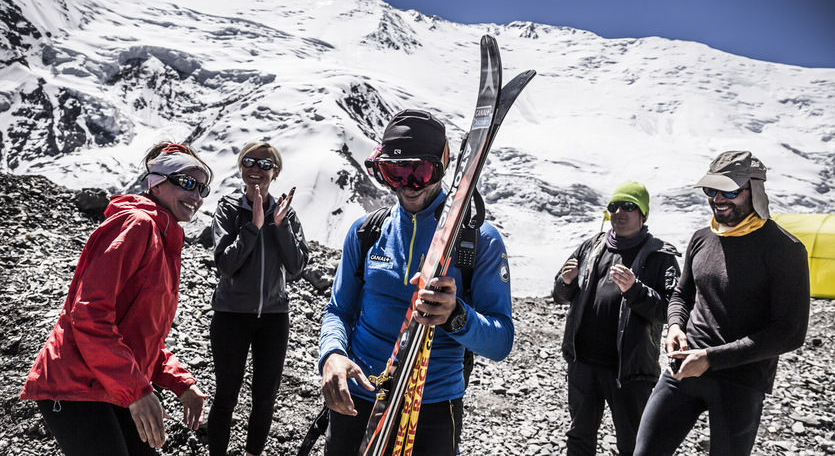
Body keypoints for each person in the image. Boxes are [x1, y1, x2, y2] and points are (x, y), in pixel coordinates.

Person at [318, 109, 514, 456]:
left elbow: (500, 341)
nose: (406, 185)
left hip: (433, 407)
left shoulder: (478, 240)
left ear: (441, 166)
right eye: (394, 172)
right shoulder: (367, 233)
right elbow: (339, 309)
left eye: (420, 172)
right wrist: (332, 354)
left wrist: (457, 316)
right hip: (359, 395)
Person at [20, 142, 212, 455]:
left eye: (202, 188)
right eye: (187, 184)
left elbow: (138, 335)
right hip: (75, 383)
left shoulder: (165, 239)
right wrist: (138, 392)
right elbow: (89, 314)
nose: (197, 196)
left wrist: (180, 382)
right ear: (157, 182)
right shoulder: (137, 225)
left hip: (112, 381)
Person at [634, 151, 810, 456]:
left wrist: (712, 358)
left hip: (741, 381)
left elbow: (790, 332)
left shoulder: (785, 249)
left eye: (729, 190)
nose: (718, 199)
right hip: (683, 369)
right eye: (711, 190)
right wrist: (675, 325)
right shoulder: (702, 238)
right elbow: (681, 294)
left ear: (754, 190)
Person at [552, 181, 681, 456]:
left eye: (629, 206)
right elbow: (561, 294)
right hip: (583, 364)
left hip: (630, 372)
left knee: (634, 444)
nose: (619, 212)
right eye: (614, 206)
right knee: (579, 437)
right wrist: (565, 282)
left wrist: (635, 290)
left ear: (643, 214)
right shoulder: (592, 246)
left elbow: (671, 309)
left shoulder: (661, 256)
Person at [208, 141, 309, 456]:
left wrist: (279, 226)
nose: (256, 169)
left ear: (275, 172)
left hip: (274, 318)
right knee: (226, 395)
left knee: (265, 398)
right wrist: (253, 226)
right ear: (241, 167)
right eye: (249, 162)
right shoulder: (228, 208)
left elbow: (296, 265)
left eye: (265, 165)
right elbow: (225, 264)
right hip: (231, 316)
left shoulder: (285, 213)